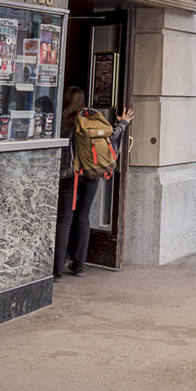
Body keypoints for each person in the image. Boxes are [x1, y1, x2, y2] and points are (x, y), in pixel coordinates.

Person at [53, 86, 134, 279]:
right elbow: (111, 140)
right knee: (83, 217)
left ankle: (56, 270)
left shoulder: (62, 120)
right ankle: (79, 266)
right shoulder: (90, 118)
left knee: (65, 220)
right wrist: (122, 123)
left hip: (69, 175)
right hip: (91, 174)